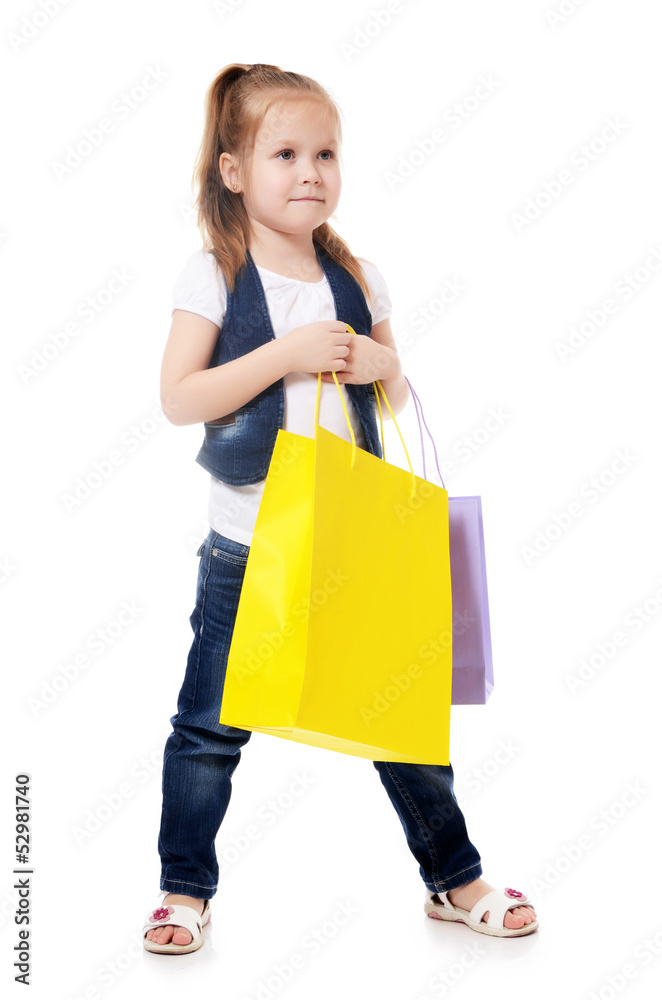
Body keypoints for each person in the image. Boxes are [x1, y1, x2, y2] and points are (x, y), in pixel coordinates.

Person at [142, 62, 538, 955]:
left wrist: (381, 366)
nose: (311, 170)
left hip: (354, 539)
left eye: (326, 152)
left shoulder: (355, 275)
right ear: (234, 169)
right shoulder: (214, 272)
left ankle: (453, 877)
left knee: (399, 717)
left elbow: (396, 402)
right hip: (248, 546)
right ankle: (182, 888)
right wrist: (285, 353)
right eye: (285, 152)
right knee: (209, 727)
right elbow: (179, 398)